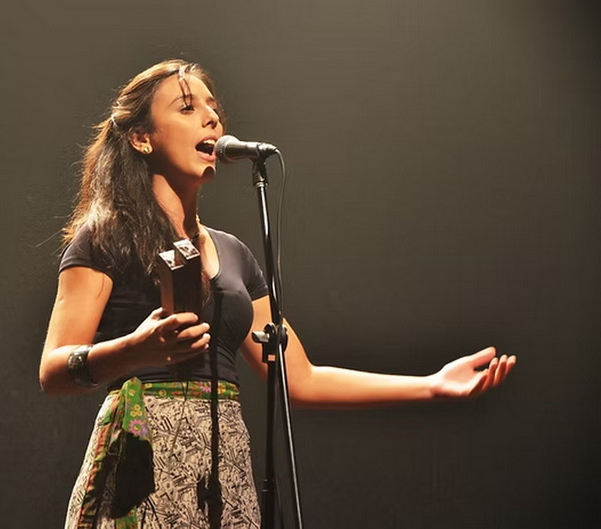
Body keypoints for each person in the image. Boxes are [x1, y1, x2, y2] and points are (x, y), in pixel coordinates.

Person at [39, 59, 516, 529]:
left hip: (224, 469)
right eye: (187, 108)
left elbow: (299, 379)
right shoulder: (105, 238)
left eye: (213, 107)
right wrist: (133, 350)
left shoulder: (234, 253)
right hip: (142, 466)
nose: (211, 118)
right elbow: (53, 370)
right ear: (142, 138)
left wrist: (432, 383)